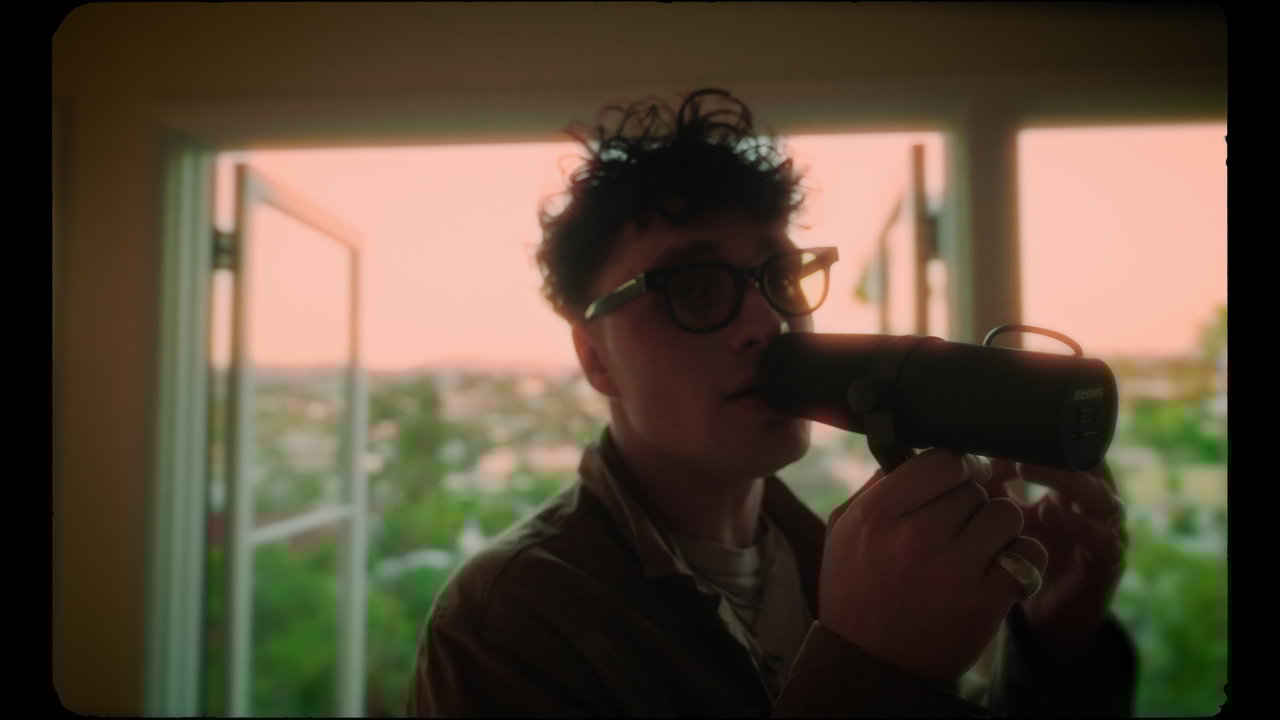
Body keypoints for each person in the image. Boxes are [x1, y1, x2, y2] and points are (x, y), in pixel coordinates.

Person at [408, 88, 1136, 716]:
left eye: (781, 278)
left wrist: (1055, 645)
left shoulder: (844, 558)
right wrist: (873, 674)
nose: (767, 322)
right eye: (694, 288)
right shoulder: (508, 622)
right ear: (595, 358)